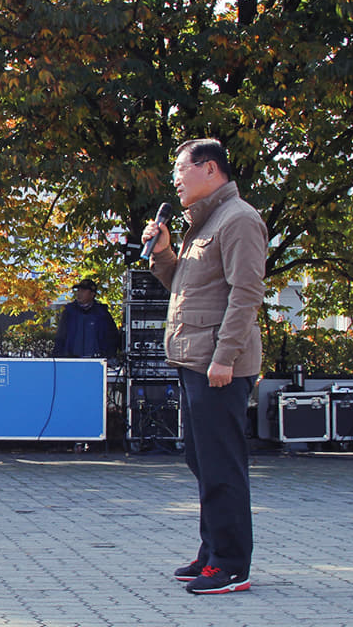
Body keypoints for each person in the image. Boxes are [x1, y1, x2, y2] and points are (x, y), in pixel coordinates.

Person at [142, 139, 267, 595]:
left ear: (209, 168)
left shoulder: (239, 220)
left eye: (181, 169)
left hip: (218, 365)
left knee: (222, 465)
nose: (175, 178)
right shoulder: (203, 223)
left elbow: (246, 294)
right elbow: (185, 285)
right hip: (194, 360)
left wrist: (224, 358)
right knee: (202, 460)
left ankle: (232, 565)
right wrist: (163, 251)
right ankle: (213, 552)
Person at [52, 278, 119, 359]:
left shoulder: (102, 314)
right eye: (78, 291)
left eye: (83, 291)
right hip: (72, 361)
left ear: (92, 294)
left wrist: (109, 357)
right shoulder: (69, 312)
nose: (79, 294)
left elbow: (112, 338)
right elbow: (60, 338)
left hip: (96, 361)